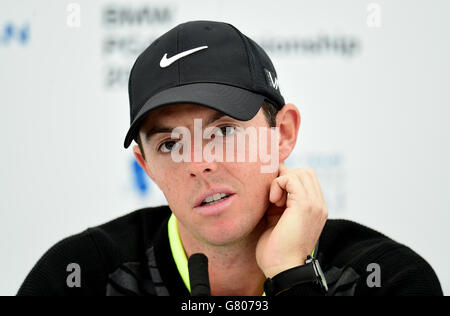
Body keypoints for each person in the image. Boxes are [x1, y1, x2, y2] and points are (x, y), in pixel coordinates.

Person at [18, 20, 442, 296]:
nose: (198, 163)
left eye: (223, 131)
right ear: (146, 167)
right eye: (170, 144)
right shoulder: (80, 277)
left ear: (284, 134)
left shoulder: (385, 278)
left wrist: (292, 277)